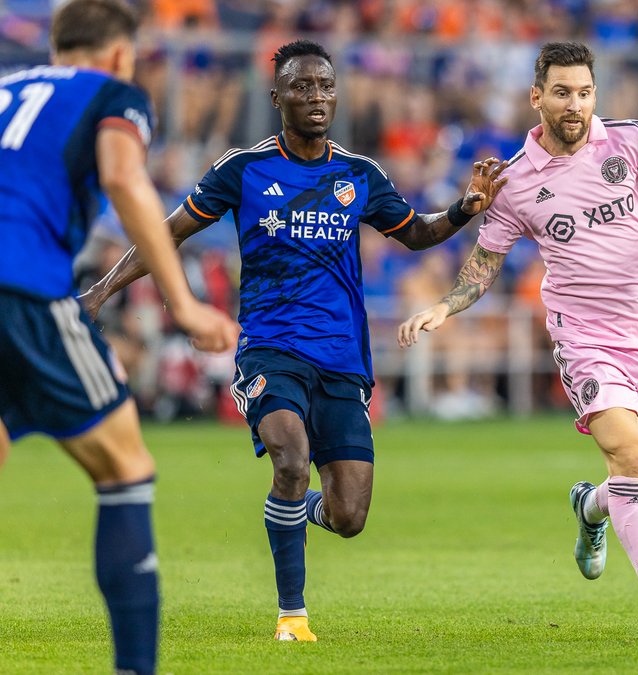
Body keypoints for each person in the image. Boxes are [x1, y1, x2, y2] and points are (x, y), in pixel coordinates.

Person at [79, 39, 509, 642]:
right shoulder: (243, 169)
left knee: (349, 516)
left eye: (326, 86)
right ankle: (292, 615)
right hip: (270, 348)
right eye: (302, 87)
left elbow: (416, 234)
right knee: (291, 458)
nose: (316, 97)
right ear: (277, 96)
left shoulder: (359, 175)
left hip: (343, 359)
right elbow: (166, 232)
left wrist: (465, 210)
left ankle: (299, 511)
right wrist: (100, 292)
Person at [397, 41, 638, 639]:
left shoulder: (632, 140)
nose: (574, 104)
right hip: (586, 339)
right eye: (561, 92)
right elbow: (483, 267)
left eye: (584, 92)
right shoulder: (515, 182)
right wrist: (444, 306)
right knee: (630, 458)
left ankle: (590, 506)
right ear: (537, 98)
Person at [0, 1, 239, 673]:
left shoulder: (6, 88)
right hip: (21, 287)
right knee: (126, 467)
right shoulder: (115, 93)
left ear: (55, 44)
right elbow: (122, 174)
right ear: (120, 54)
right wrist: (185, 304)